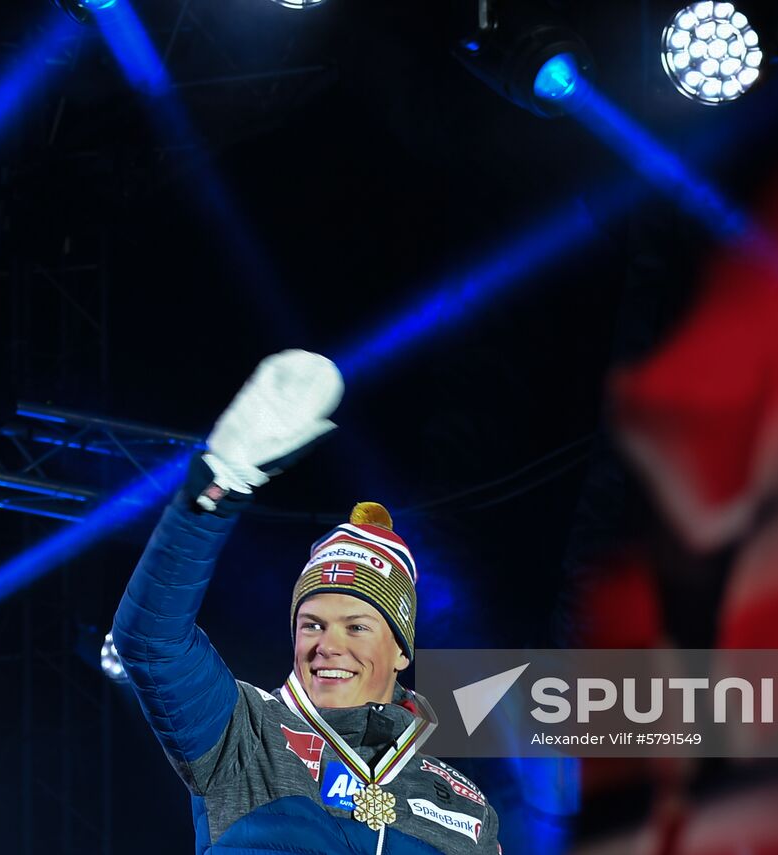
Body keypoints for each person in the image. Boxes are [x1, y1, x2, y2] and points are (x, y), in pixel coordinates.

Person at [113, 350, 501, 855]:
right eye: (312, 625)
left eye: (357, 627)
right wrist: (220, 486)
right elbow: (151, 641)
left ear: (401, 651)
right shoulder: (245, 732)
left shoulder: (465, 807)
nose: (328, 646)